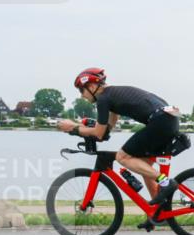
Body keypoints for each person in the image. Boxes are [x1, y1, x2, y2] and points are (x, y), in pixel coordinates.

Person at [58, 68, 180, 210]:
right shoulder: (112, 94)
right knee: (143, 166)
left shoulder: (103, 99)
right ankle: (158, 212)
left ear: (91, 87)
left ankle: (165, 182)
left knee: (122, 157)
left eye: (81, 90)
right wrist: (96, 130)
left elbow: (98, 133)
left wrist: (73, 127)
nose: (82, 96)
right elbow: (109, 124)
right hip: (168, 119)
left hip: (161, 122)